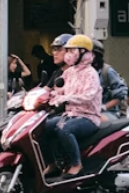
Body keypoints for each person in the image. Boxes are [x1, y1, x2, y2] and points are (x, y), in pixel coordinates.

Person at [39, 35, 103, 179]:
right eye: (66, 51)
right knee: (40, 128)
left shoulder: (90, 73)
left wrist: (66, 98)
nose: (68, 55)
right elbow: (59, 89)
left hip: (88, 117)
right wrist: (46, 96)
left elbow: (88, 96)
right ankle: (52, 163)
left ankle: (76, 165)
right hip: (69, 114)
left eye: (71, 51)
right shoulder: (69, 72)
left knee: (64, 129)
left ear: (83, 52)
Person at [92, 41, 129, 116]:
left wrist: (104, 107)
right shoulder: (80, 72)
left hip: (108, 113)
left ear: (96, 55)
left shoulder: (107, 71)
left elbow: (121, 95)